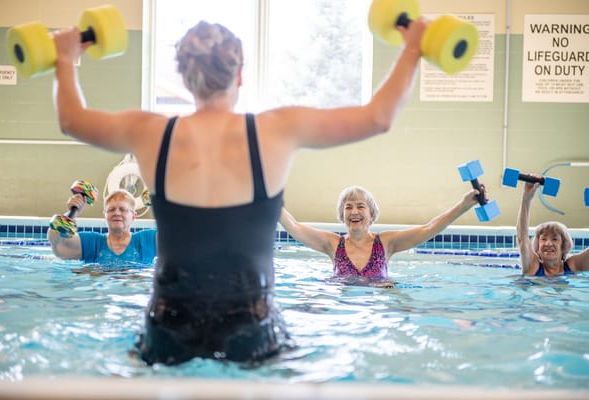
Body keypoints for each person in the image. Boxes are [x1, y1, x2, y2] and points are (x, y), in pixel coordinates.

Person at [51, 17, 427, 365]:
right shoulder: (276, 130)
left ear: (184, 78)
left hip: (169, 325)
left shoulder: (150, 132)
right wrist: (413, 46)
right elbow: (379, 117)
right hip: (252, 326)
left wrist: (66, 58)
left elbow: (71, 120)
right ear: (241, 75)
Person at [279, 186, 483, 281]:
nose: (355, 212)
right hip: (341, 309)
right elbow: (294, 227)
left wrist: (464, 205)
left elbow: (428, 229)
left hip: (380, 307)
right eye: (348, 207)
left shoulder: (386, 243)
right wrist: (268, 200)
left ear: (371, 213)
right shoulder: (332, 244)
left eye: (360, 206)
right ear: (342, 214)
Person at [48, 189, 157, 265]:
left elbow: (173, 236)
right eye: (111, 209)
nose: (117, 213)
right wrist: (72, 212)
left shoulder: (148, 239)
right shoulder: (93, 242)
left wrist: (163, 204)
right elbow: (56, 240)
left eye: (123, 209)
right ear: (104, 215)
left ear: (133, 216)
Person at [516, 181, 589, 276]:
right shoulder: (533, 266)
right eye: (543, 239)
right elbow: (522, 239)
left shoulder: (572, 266)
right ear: (537, 247)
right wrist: (526, 199)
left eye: (554, 239)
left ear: (563, 246)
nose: (548, 243)